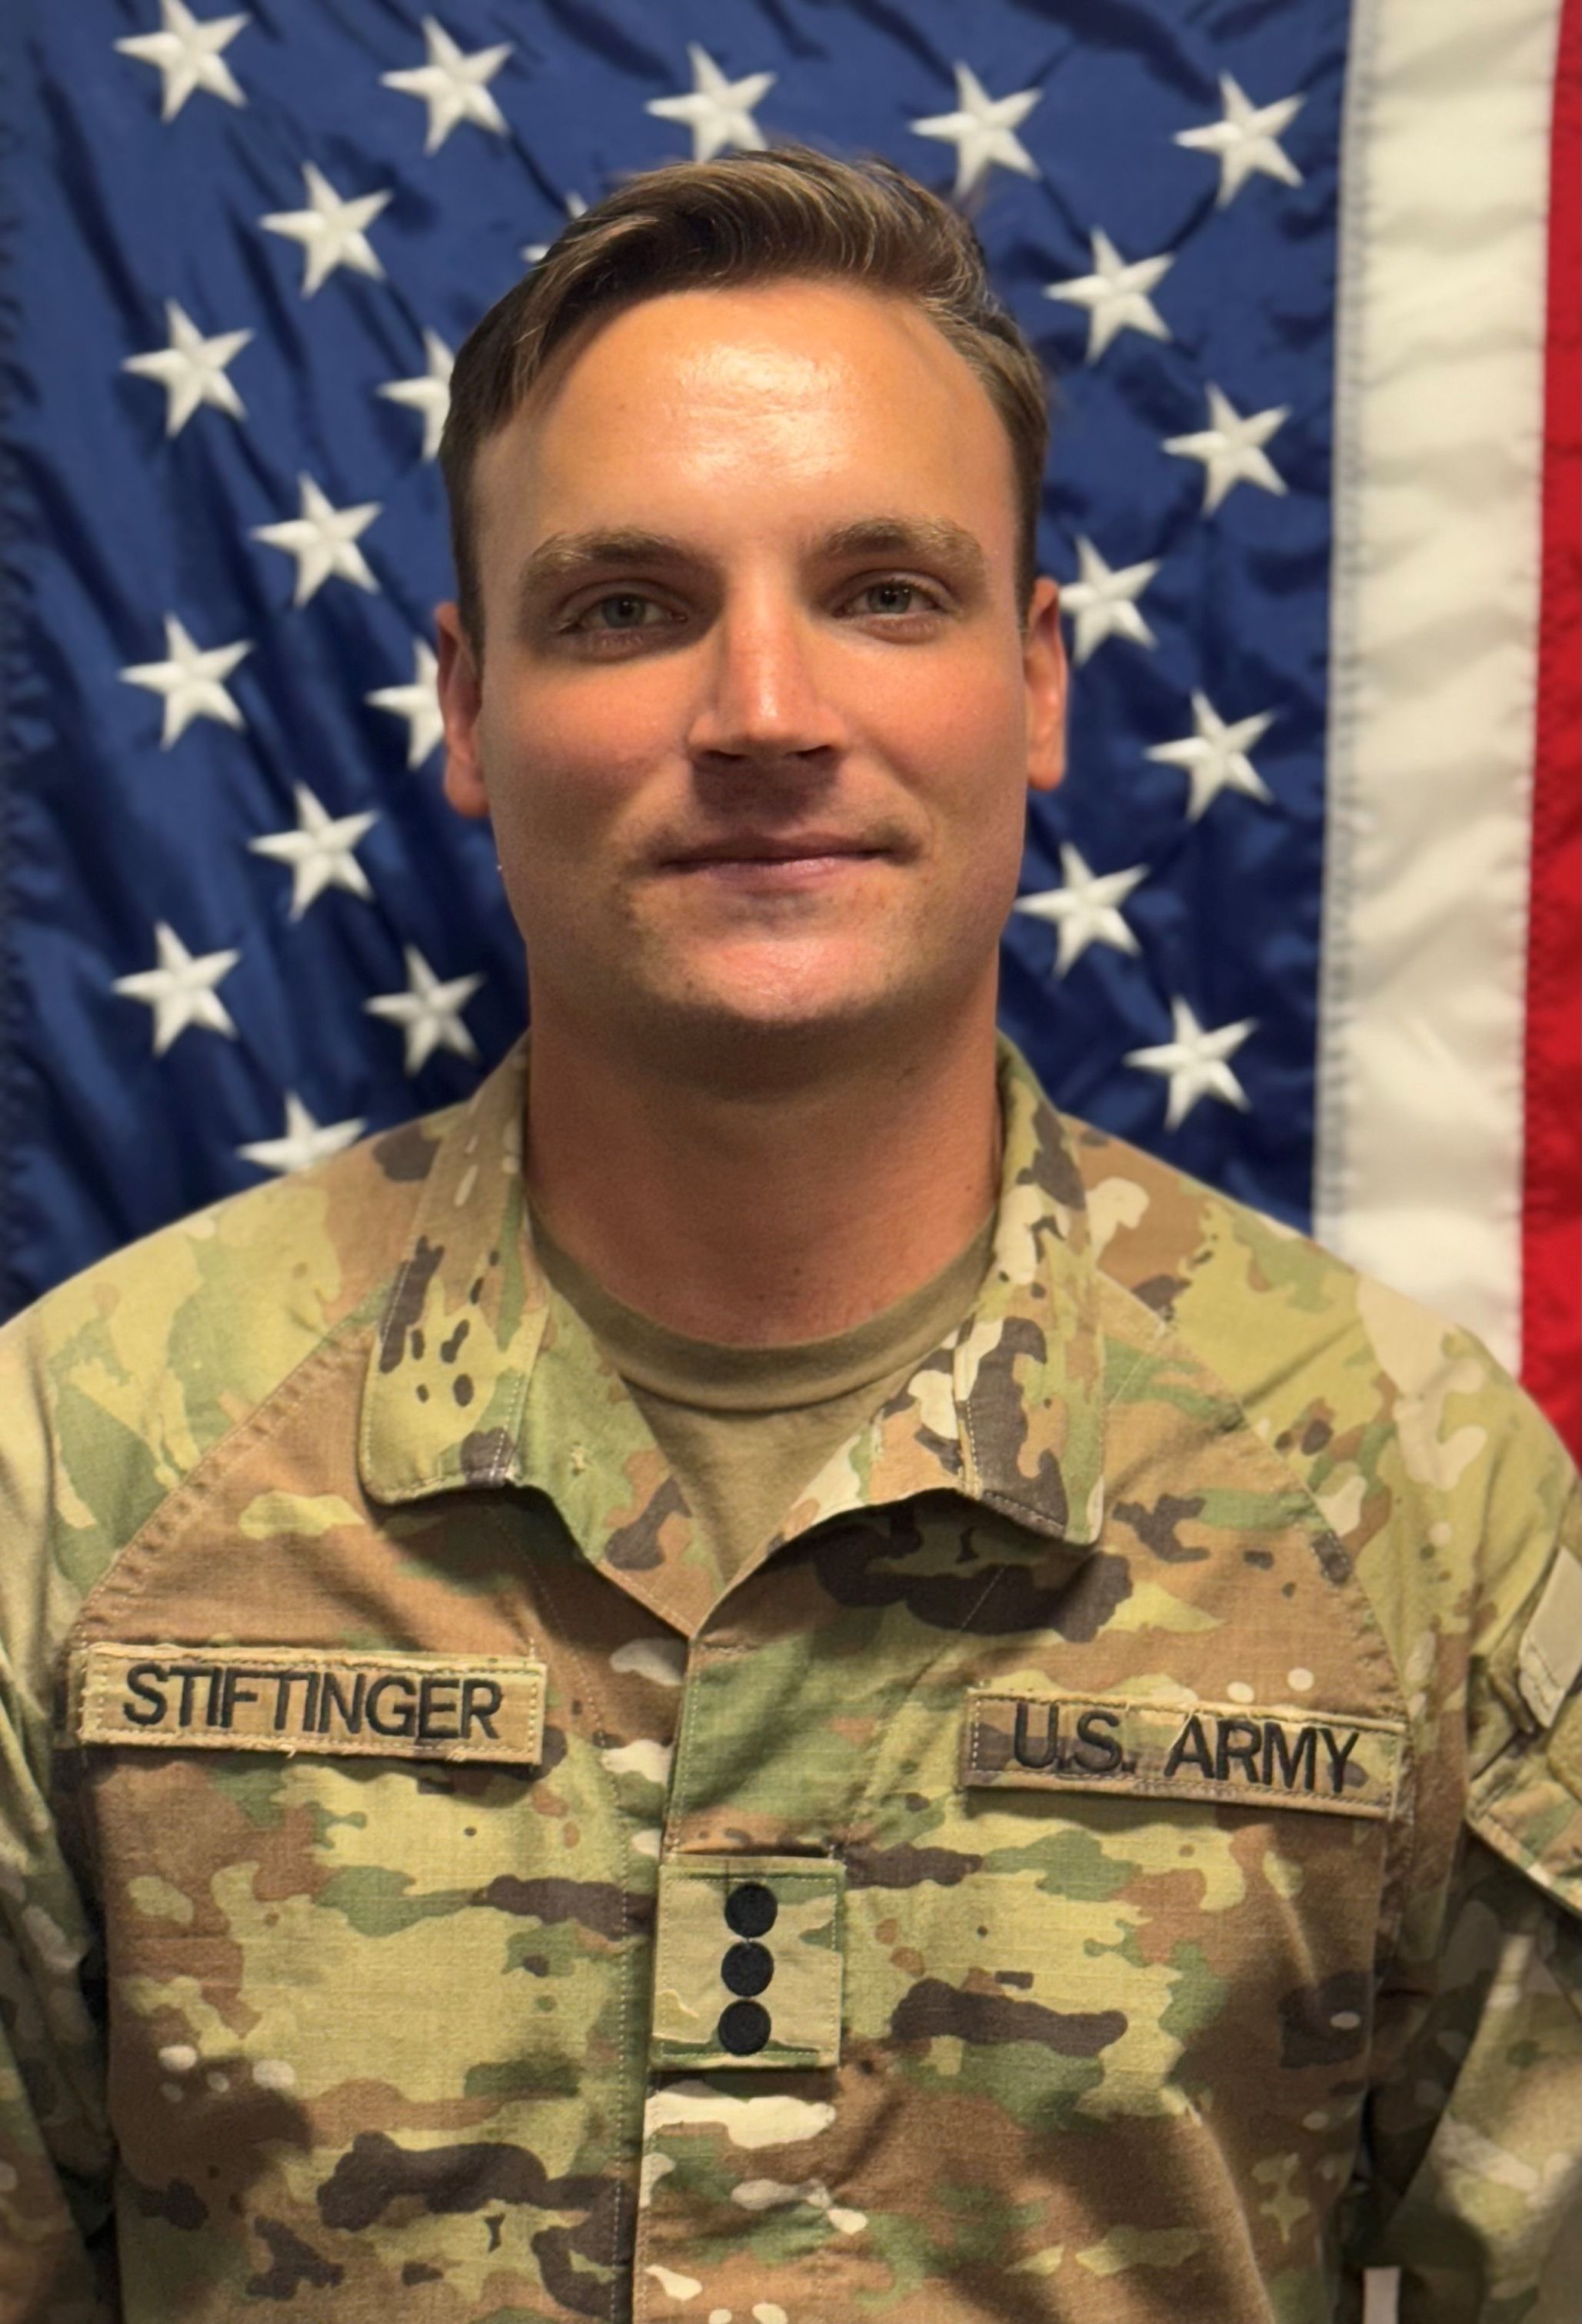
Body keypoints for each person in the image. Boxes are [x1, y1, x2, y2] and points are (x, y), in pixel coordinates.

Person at [0, 147, 1575, 2324]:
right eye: (625, 607)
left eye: (883, 592)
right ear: (464, 709)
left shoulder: (1405, 1491)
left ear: (1034, 682)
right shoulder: (82, 1469)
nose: (761, 711)